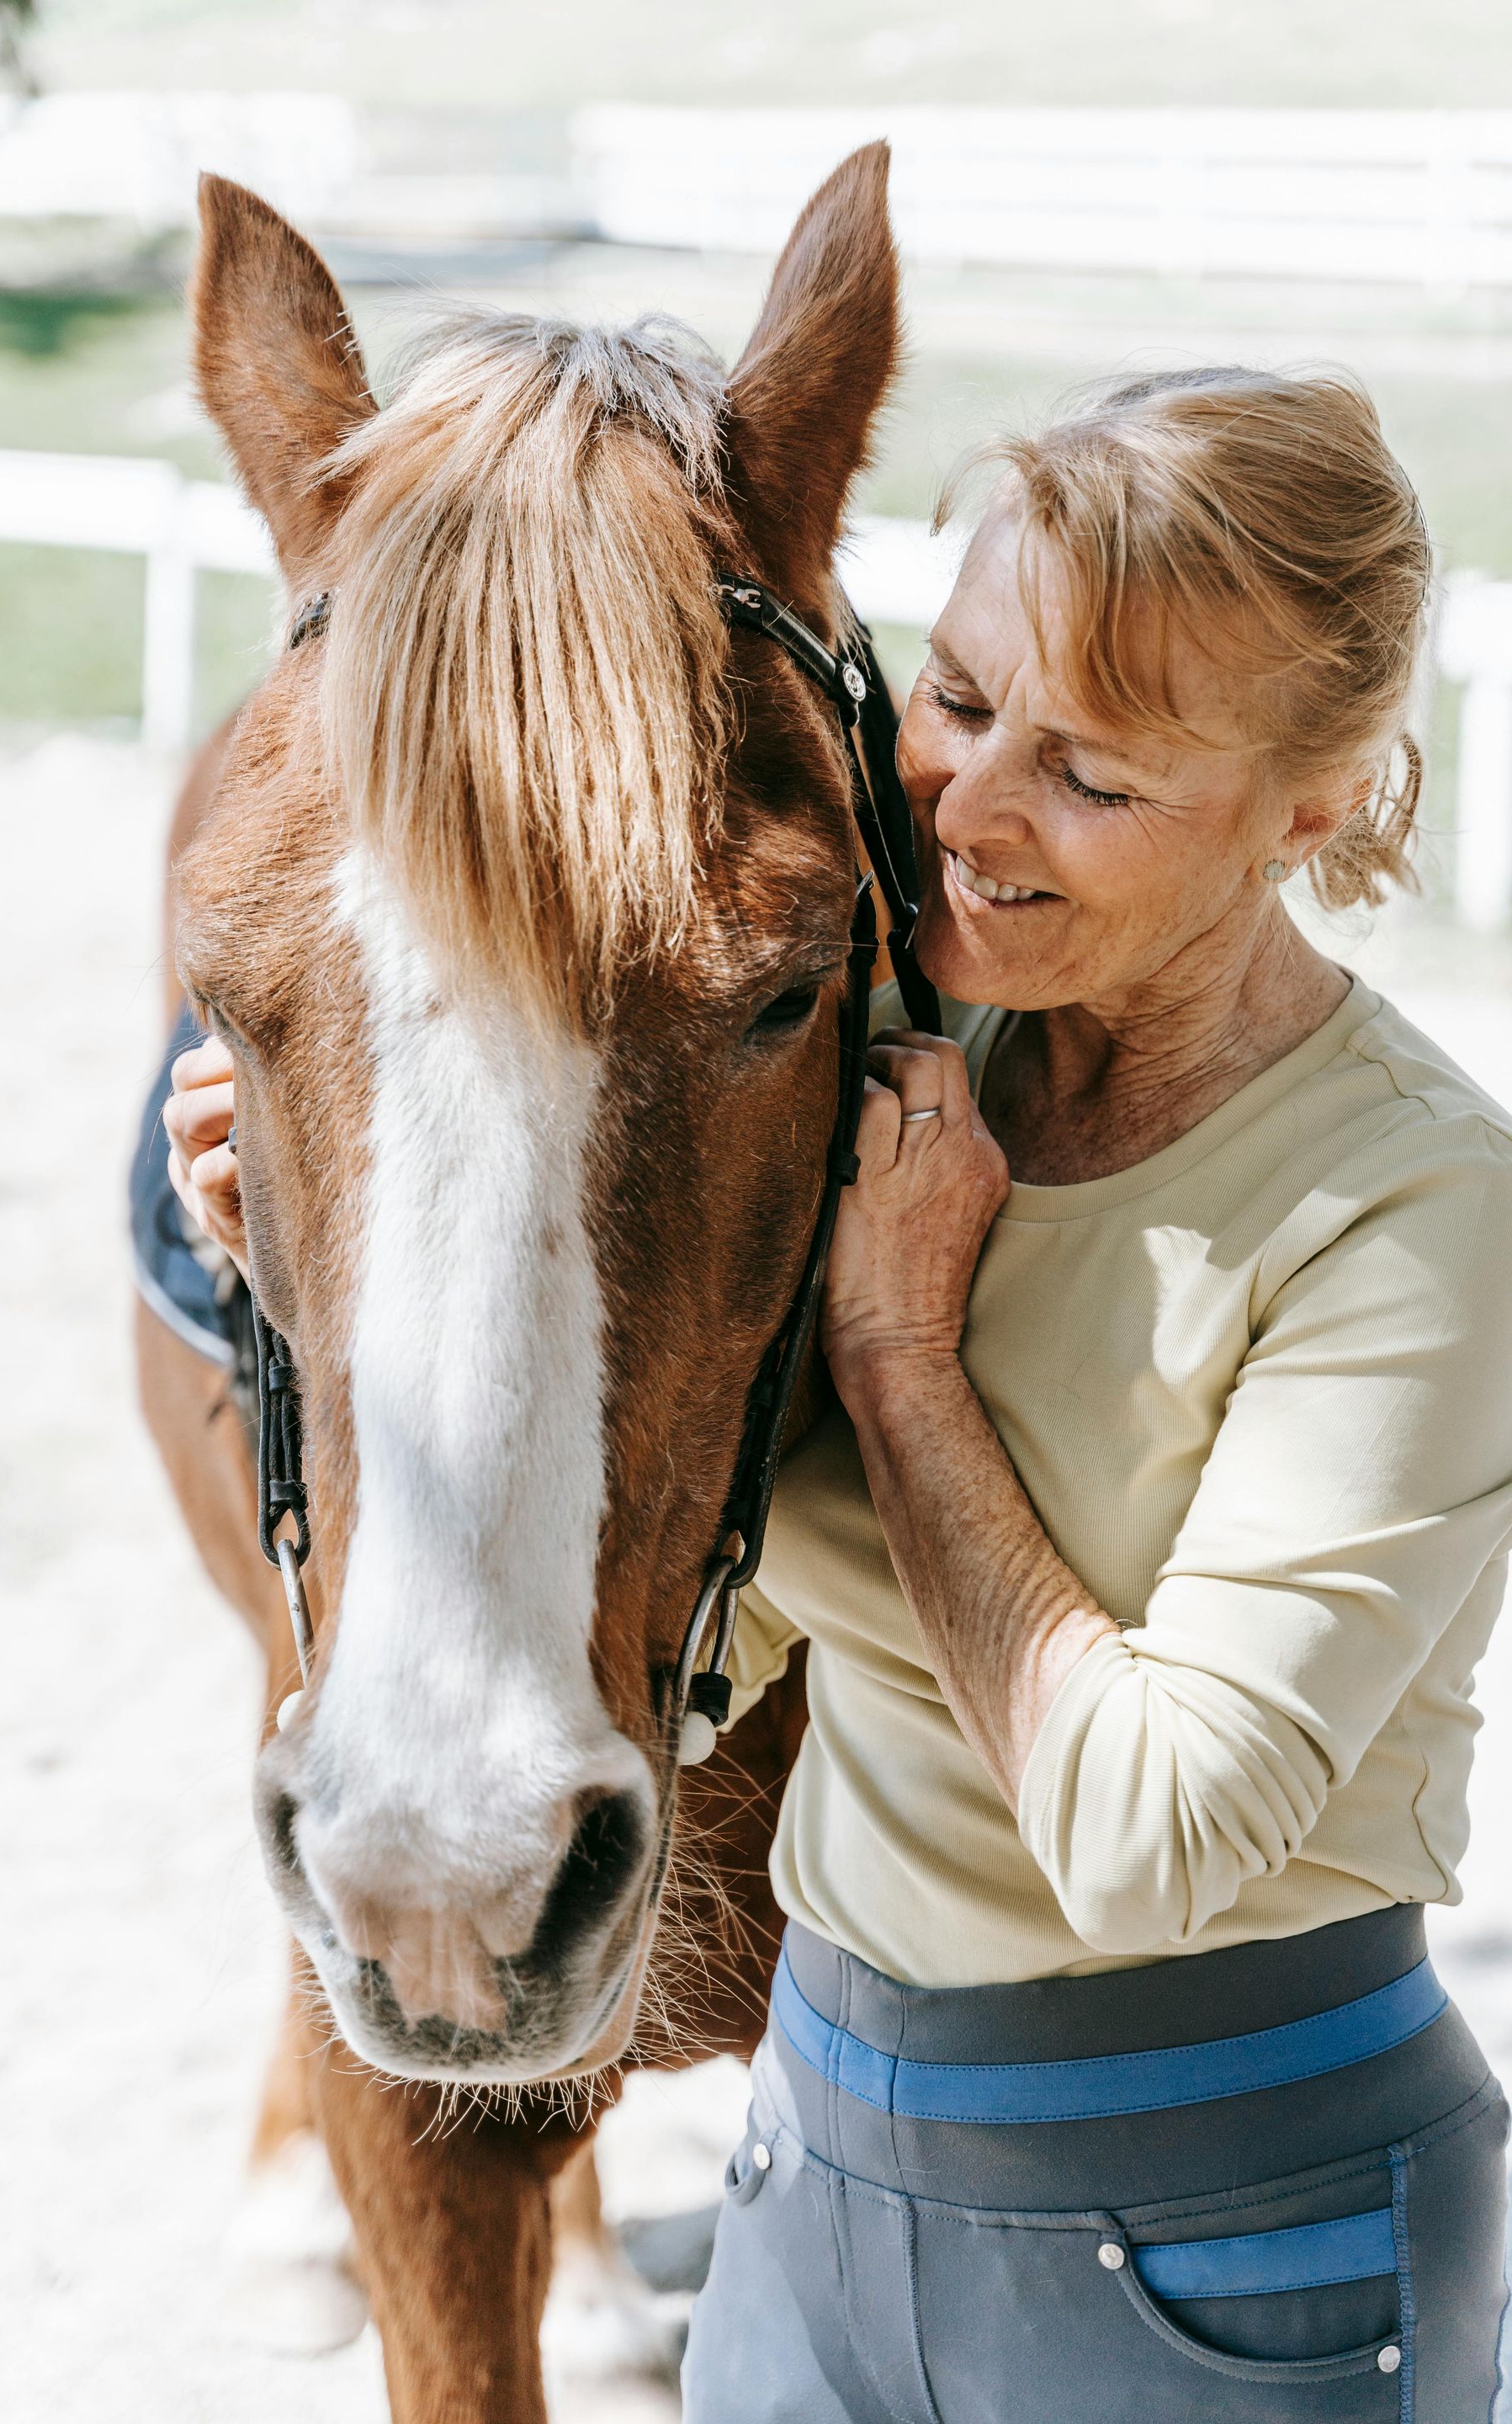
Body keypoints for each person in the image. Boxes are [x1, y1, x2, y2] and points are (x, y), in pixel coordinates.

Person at [169, 368, 1512, 2418]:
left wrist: (891, 1361)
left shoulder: (1417, 1208)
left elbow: (1154, 1839)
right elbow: (729, 1650)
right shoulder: (911, 1085)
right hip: (830, 2185)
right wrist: (357, 1266)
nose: (968, 812)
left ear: (1309, 811)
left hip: (1234, 2217)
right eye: (961, 702)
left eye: (1096, 772)